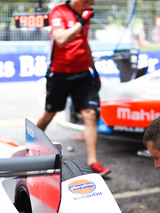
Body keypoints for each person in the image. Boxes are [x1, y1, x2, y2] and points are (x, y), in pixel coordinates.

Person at [36, 0, 110, 176]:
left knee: (90, 114)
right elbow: (61, 39)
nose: (89, 3)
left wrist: (94, 70)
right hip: (59, 73)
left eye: (91, 1)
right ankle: (29, 150)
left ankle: (93, 162)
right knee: (49, 114)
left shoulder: (85, 16)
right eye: (86, 0)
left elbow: (84, 43)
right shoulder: (58, 12)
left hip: (82, 73)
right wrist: (81, 22)